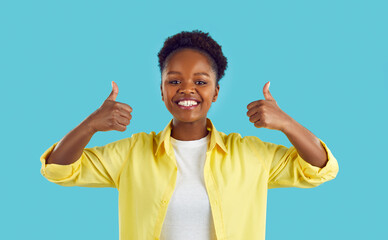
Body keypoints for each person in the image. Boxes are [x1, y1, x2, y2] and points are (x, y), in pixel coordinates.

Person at [40, 30, 339, 240]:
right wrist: (90, 125)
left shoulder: (250, 154)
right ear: (161, 90)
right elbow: (58, 169)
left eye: (200, 81)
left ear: (216, 92)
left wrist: (287, 123)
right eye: (174, 81)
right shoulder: (133, 153)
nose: (186, 89)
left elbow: (320, 169)